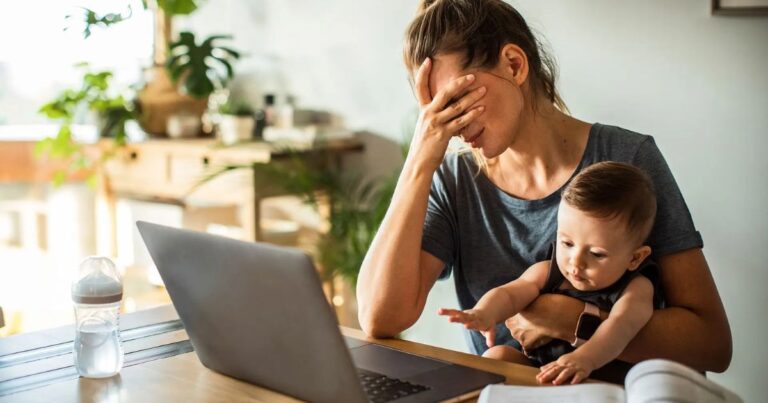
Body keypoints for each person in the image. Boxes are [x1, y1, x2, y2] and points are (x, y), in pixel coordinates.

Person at [356, 0, 732, 379]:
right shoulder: (454, 180)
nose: (450, 126)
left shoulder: (628, 158)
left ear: (514, 65)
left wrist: (575, 322)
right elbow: (380, 318)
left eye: (456, 102)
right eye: (434, 111)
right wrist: (419, 161)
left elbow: (712, 346)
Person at [439, 161, 661, 385]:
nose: (576, 261)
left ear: (635, 258)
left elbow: (621, 327)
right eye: (567, 243)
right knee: (497, 357)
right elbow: (509, 294)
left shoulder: (636, 288)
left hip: (598, 382)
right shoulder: (549, 272)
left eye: (596, 254)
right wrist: (484, 313)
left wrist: (584, 359)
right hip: (544, 373)